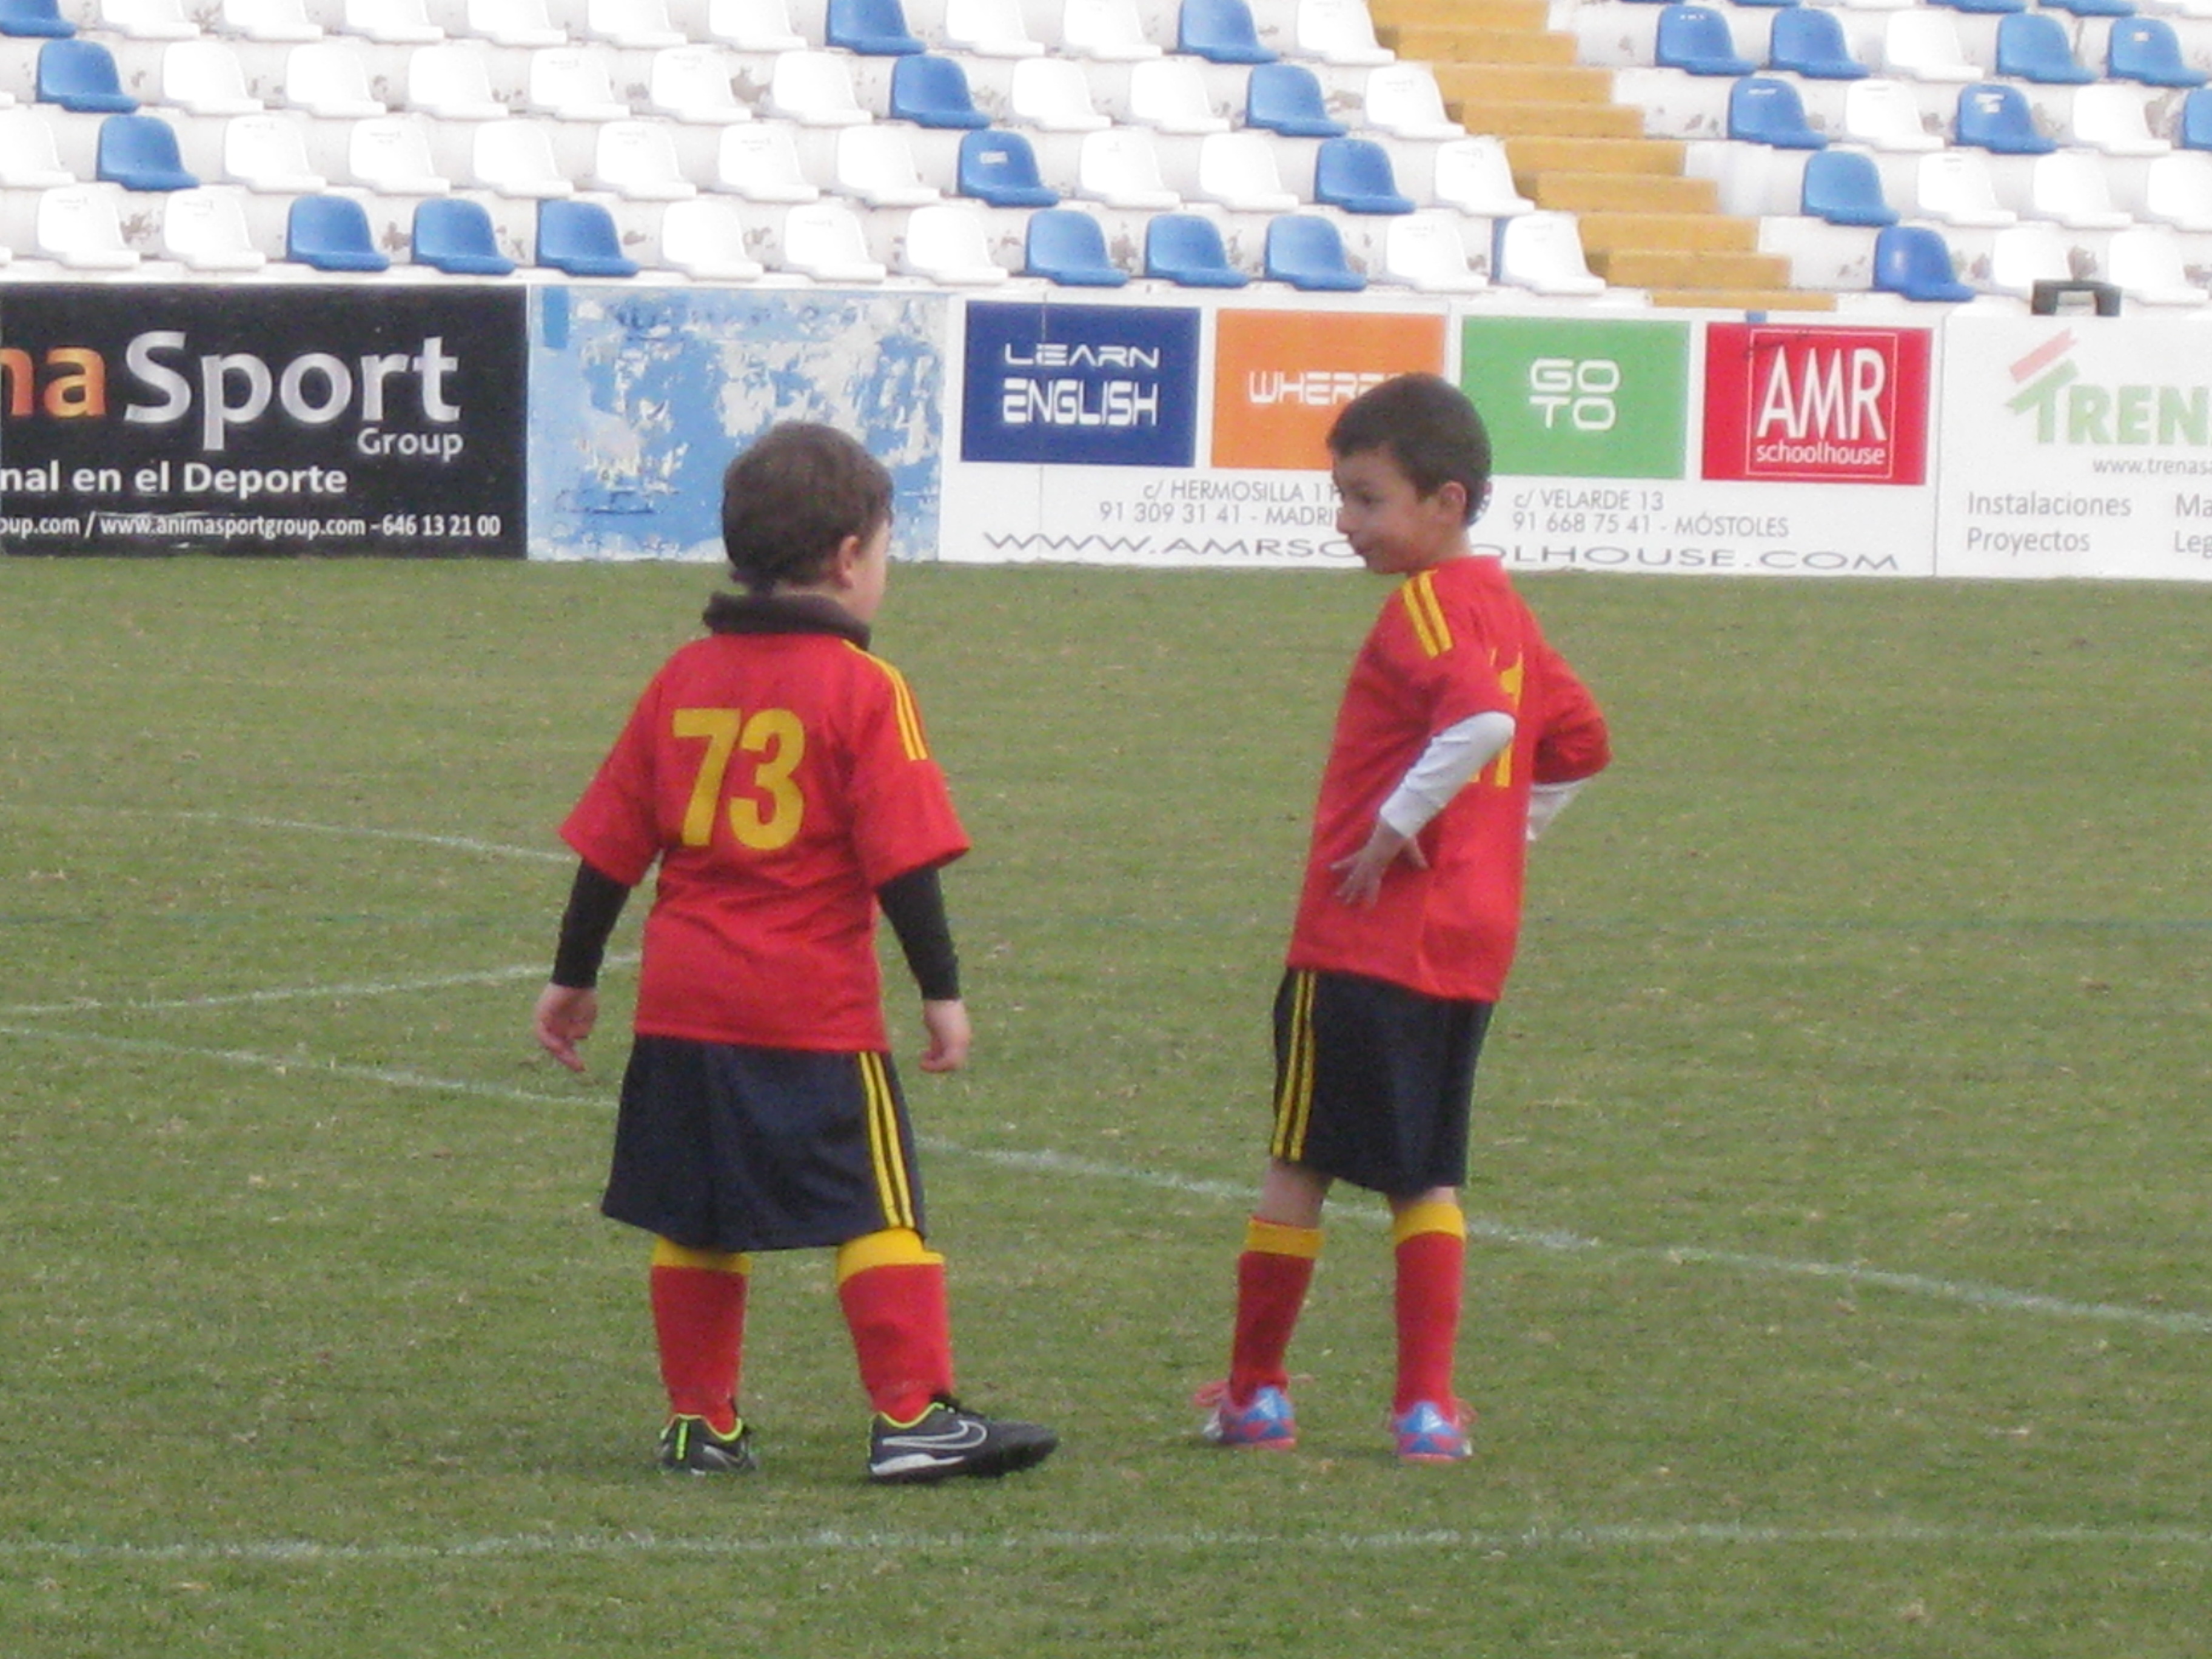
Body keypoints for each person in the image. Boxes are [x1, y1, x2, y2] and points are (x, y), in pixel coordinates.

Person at [532, 421, 1056, 1486]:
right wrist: (943, 992)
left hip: (683, 1004)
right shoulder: (865, 689)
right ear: (850, 557)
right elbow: (904, 859)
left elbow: (610, 850)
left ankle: (700, 1423)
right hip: (810, 1007)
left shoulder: (683, 678)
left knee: (695, 1213)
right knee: (879, 1204)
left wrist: (574, 977)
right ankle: (912, 1414)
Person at [1198, 374, 1611, 1464]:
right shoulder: (1507, 611)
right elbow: (1578, 745)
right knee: (1425, 1175)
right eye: (1341, 496)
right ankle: (1425, 1409)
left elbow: (1483, 723)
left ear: (1447, 501)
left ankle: (1255, 1394)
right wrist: (1503, 839)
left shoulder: (1428, 605)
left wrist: (1391, 830)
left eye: (1367, 499)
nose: (1346, 522)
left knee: (1300, 1159)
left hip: (1360, 934)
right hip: (1470, 943)